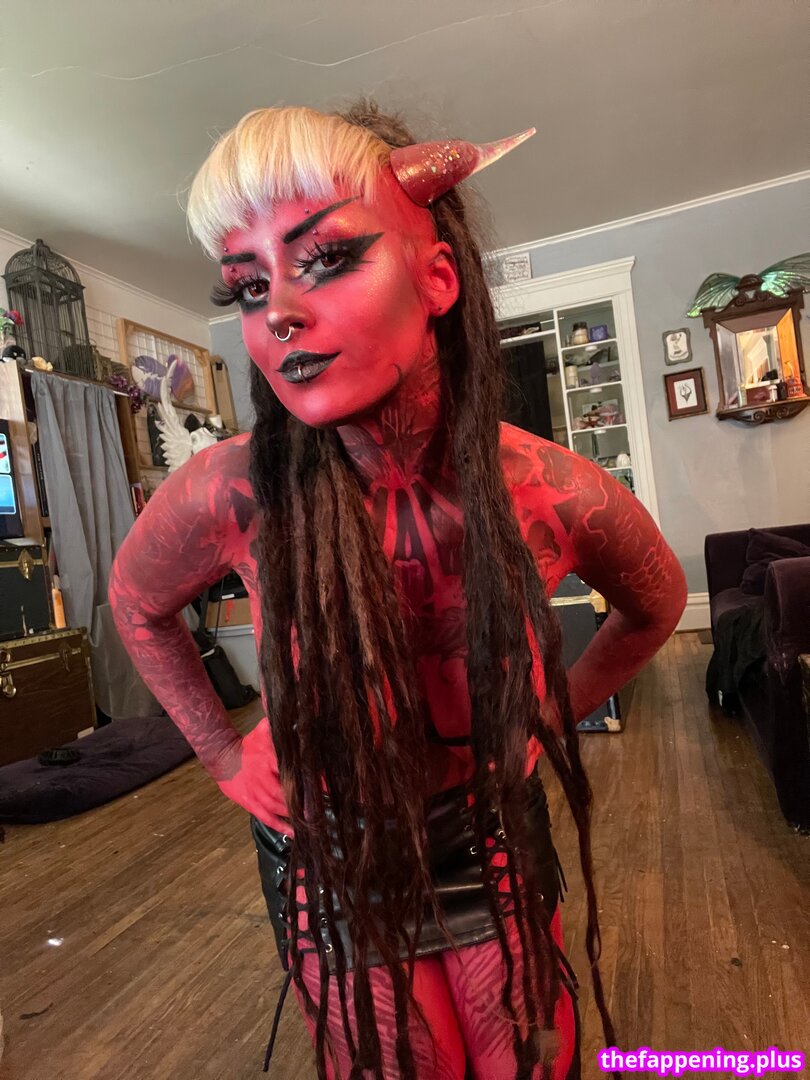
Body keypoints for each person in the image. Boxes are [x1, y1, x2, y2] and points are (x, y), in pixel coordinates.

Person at [109, 102, 687, 1080]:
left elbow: (658, 603)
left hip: (487, 827)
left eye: (327, 258)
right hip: (328, 850)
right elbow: (137, 606)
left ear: (437, 278)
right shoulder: (230, 491)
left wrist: (553, 708)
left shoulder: (544, 487)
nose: (277, 311)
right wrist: (223, 753)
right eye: (247, 285)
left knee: (522, 1061)